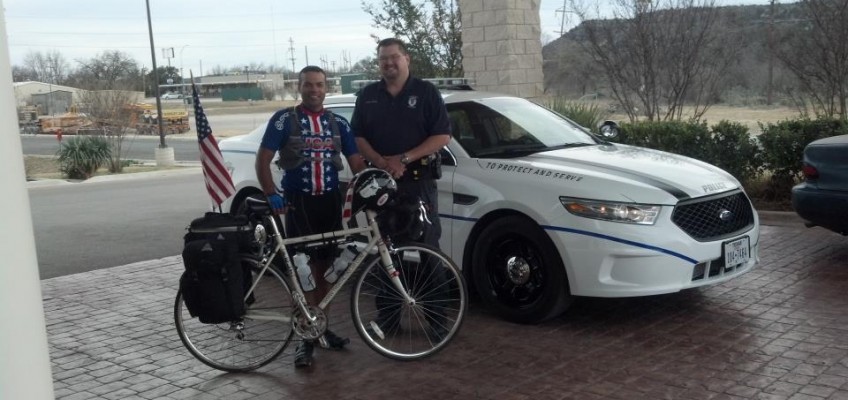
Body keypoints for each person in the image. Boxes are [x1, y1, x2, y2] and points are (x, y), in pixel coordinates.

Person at [255, 65, 366, 369]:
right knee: (302, 271)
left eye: (319, 85)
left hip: (329, 203)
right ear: (299, 87)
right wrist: (271, 193)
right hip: (297, 204)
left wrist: (372, 185)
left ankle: (321, 327)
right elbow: (263, 159)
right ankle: (303, 339)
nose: (314, 90)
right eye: (308, 85)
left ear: (325, 88)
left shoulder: (338, 123)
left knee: (326, 268)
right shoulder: (284, 120)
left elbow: (356, 161)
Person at [350, 38, 452, 339]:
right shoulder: (368, 95)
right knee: (385, 250)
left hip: (419, 183)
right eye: (383, 59)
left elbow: (443, 135)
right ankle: (390, 318)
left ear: (406, 59)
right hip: (383, 184)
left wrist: (404, 159)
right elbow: (357, 137)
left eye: (394, 57)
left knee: (429, 250)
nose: (389, 63)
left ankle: (437, 320)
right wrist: (382, 162)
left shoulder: (426, 92)